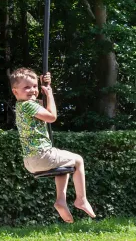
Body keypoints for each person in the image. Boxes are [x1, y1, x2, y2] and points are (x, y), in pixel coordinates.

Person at [11, 67, 96, 223]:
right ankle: (81, 199)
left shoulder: (20, 107)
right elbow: (51, 116)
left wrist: (46, 85)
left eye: (35, 86)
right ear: (15, 91)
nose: (32, 90)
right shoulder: (28, 105)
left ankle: (61, 200)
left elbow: (43, 104)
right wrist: (50, 93)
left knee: (63, 168)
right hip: (43, 155)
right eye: (27, 87)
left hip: (30, 161)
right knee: (78, 160)